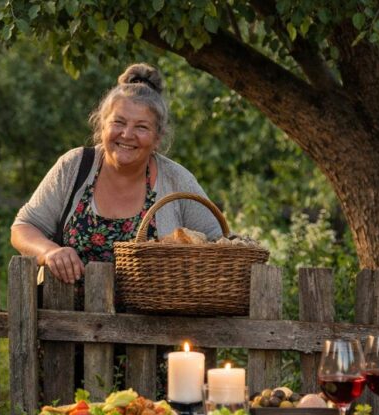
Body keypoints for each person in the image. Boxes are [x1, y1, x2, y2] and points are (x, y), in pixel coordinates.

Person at [11, 63, 222, 290]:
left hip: (155, 324)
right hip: (65, 319)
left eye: (141, 127)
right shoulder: (74, 166)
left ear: (158, 138)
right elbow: (23, 227)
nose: (127, 134)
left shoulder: (177, 180)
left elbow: (220, 245)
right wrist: (49, 251)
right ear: (102, 126)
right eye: (118, 122)